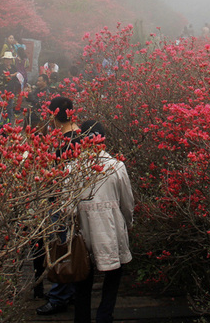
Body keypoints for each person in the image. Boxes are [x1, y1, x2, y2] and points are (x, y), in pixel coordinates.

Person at [72, 121, 134, 323]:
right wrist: (128, 222)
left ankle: (82, 318)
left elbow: (66, 207)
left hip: (83, 230)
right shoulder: (116, 166)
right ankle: (104, 315)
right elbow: (127, 202)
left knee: (82, 275)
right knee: (114, 272)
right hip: (111, 227)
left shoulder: (72, 167)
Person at [36, 96, 80, 316]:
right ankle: (69, 289)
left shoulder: (65, 141)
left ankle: (59, 296)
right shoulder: (80, 135)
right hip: (74, 200)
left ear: (54, 115)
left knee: (60, 247)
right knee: (69, 245)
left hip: (61, 202)